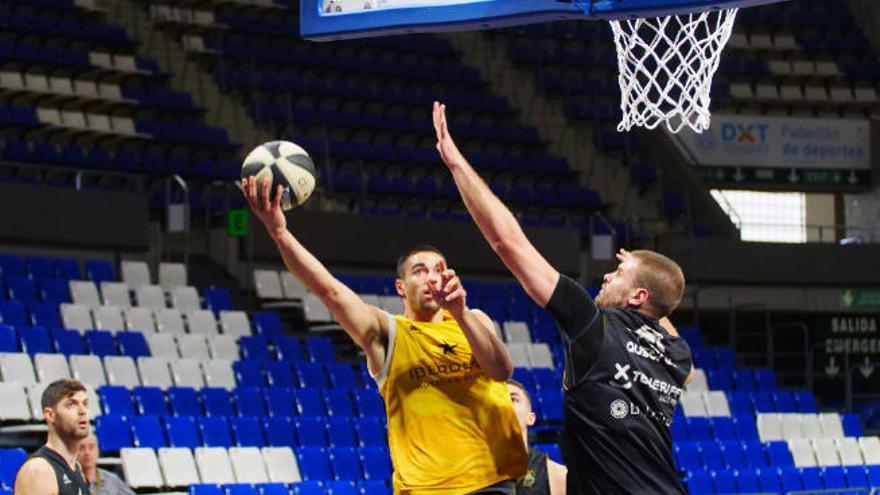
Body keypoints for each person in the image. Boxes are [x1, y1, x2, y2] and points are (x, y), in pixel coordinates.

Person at [432, 102, 694, 495]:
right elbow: (664, 309)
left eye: (618, 273)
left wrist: (456, 166)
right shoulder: (677, 356)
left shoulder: (595, 324)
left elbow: (508, 243)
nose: (608, 273)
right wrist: (645, 277)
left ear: (639, 295)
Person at [241, 175, 527, 494]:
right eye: (420, 271)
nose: (431, 277)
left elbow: (502, 371)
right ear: (401, 288)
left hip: (492, 483)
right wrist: (279, 232)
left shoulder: (473, 319)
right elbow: (330, 292)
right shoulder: (386, 333)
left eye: (438, 268)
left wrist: (460, 313)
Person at [15, 378, 91, 495]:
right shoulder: (39, 470)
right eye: (71, 404)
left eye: (85, 404)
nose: (82, 411)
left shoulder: (77, 469)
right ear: (50, 415)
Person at [506, 380, 567, 495]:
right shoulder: (469, 475)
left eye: (513, 399)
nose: (505, 404)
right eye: (498, 400)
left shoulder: (555, 475)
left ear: (530, 418)